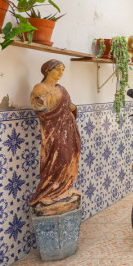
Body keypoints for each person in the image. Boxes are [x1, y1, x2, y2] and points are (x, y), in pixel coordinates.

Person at [29, 59, 82, 216]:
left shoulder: (62, 89)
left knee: (69, 157)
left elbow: (69, 105)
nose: (61, 73)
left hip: (67, 128)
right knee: (57, 158)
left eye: (62, 70)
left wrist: (71, 108)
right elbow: (40, 109)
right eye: (57, 69)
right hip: (53, 130)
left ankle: (63, 189)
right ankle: (49, 192)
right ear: (47, 70)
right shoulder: (40, 88)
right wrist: (56, 113)